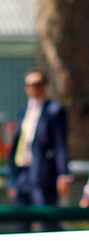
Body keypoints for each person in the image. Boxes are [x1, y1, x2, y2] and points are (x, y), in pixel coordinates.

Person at [7, 68, 71, 211]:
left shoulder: (54, 110)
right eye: (29, 85)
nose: (33, 88)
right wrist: (12, 180)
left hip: (43, 173)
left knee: (46, 218)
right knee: (21, 220)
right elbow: (18, 144)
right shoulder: (24, 111)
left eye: (37, 84)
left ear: (45, 86)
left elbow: (60, 145)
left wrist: (63, 175)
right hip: (22, 173)